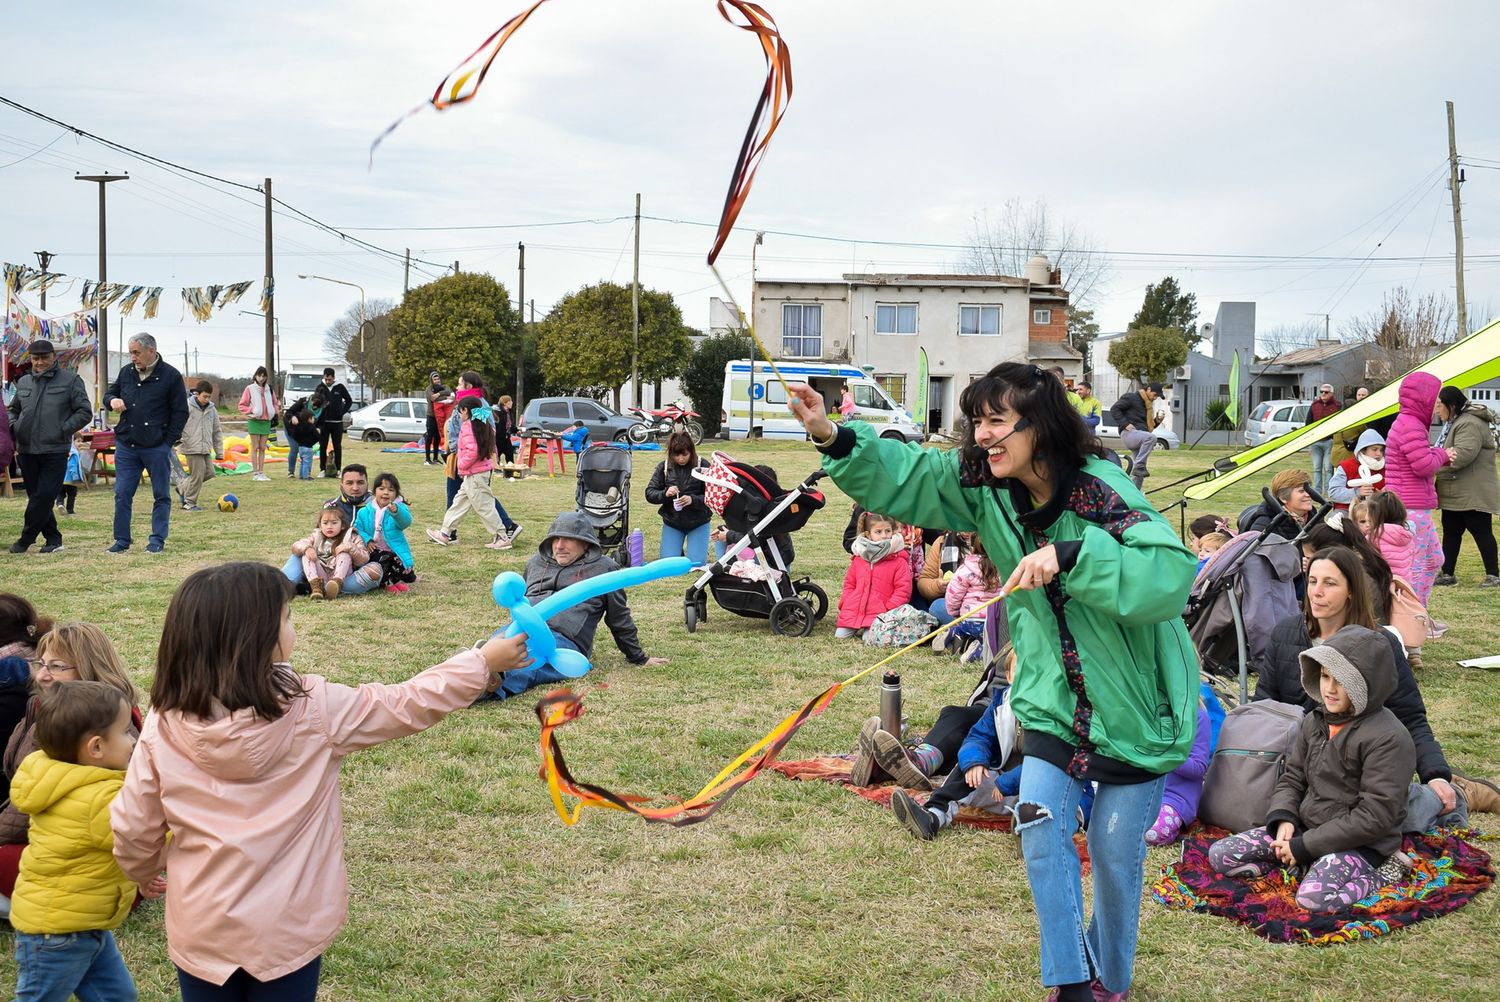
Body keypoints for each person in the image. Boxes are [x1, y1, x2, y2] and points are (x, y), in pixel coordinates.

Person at [789, 362, 1198, 1001]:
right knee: (1038, 825)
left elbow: (1170, 575)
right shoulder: (984, 481)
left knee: (1116, 861)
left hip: (1136, 703)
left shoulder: (1101, 490)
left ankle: (1111, 979)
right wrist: (831, 434)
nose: (983, 435)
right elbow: (912, 476)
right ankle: (1071, 985)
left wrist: (1074, 554)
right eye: (977, 421)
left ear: (1040, 426)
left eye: (997, 421)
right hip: (1050, 697)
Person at [109, 562, 533, 1000]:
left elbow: (133, 824)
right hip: (287, 928)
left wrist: (143, 871)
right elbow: (406, 702)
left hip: (202, 924)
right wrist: (480, 663)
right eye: (286, 619)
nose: (292, 627)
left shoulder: (161, 723)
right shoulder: (315, 710)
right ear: (259, 640)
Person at [1253, 547, 1474, 832]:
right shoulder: (1285, 633)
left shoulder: (1379, 644)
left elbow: (1410, 717)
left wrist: (1435, 774)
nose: (1316, 592)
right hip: (1299, 766)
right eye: (1312, 581)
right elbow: (1264, 707)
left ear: (1352, 591)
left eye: (1329, 583)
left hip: (1357, 773)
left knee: (1379, 818)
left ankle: (1453, 791)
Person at [9, 680, 162, 1001]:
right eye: (124, 732)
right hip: (58, 933)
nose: (131, 741)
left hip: (85, 923)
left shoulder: (60, 775)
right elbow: (142, 838)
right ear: (96, 748)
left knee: (116, 997)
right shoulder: (98, 798)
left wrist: (141, 876)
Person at [0, 623, 142, 903]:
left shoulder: (96, 727)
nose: (42, 675)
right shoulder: (43, 707)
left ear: (88, 669)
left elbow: (33, 808)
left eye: (56, 666)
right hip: (54, 836)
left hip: (89, 854)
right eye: (41, 664)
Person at [489, 512, 669, 701]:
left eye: (568, 539)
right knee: (494, 645)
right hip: (522, 629)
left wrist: (638, 657)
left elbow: (618, 617)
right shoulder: (536, 563)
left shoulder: (604, 569)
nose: (559, 546)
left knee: (530, 662)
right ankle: (473, 667)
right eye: (555, 539)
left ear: (585, 543)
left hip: (564, 640)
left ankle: (492, 684)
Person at [6, 338, 93, 555]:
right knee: (36, 496)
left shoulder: (71, 380)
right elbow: (12, 410)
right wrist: (14, 426)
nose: (40, 362)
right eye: (36, 358)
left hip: (55, 449)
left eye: (44, 357)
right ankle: (54, 539)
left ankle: (25, 539)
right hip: (26, 449)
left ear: (53, 357)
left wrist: (63, 429)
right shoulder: (24, 382)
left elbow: (84, 411)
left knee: (43, 496)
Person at [104, 333, 189, 554]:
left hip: (156, 447)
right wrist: (111, 400)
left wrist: (167, 443)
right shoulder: (126, 373)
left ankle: (157, 540)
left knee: (161, 495)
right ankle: (121, 540)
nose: (132, 357)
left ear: (151, 351)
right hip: (127, 445)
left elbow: (180, 412)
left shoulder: (171, 376)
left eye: (136, 352)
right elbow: (109, 393)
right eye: (130, 352)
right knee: (122, 493)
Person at [1384, 372, 1453, 604]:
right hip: (1410, 506)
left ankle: (1418, 613)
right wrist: (1443, 454)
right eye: (1435, 399)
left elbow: (1421, 458)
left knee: (1434, 559)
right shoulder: (1410, 426)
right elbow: (1423, 466)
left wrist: (1436, 454)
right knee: (1418, 564)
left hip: (1415, 505)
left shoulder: (1410, 424)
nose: (1437, 405)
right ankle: (1414, 616)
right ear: (1423, 398)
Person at [442, 373, 522, 544]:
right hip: (464, 457)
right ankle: (447, 532)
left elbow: (482, 436)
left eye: (459, 384)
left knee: (477, 497)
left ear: (469, 386)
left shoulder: (477, 405)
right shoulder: (470, 403)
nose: (456, 387)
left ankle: (506, 528)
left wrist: (462, 457)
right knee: (463, 496)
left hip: (470, 461)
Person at [1433, 385, 1500, 587]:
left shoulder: (1469, 423)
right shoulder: (1455, 422)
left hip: (1472, 491)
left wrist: (1432, 464)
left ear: (1451, 405)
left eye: (1439, 404)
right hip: (1456, 490)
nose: (1436, 409)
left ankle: (1494, 576)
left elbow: (1462, 456)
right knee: (1452, 532)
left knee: (1481, 531)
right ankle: (1447, 573)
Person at [426, 397, 514, 551]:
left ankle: (502, 536)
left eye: (459, 411)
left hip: (475, 474)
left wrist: (461, 465)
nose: (459, 415)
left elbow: (472, 451)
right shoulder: (482, 424)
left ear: (465, 410)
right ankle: (445, 533)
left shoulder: (468, 426)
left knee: (484, 506)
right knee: (458, 503)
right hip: (476, 474)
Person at [279, 467, 383, 596]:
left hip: (357, 562)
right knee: (301, 553)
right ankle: (282, 585)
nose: (355, 488)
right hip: (323, 560)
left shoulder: (378, 506)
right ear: (342, 485)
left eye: (360, 482)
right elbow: (318, 536)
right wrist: (307, 548)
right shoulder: (330, 506)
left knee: (374, 571)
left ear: (367, 484)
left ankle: (316, 588)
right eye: (349, 483)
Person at [1144, 700, 1213, 845]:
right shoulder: (1146, 710)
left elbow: (1198, 767)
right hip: (1142, 793)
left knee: (1151, 833)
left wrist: (1164, 755)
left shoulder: (1197, 716)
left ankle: (1171, 829)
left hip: (1174, 799)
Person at [835, 512, 912, 640]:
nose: (884, 536)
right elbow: (849, 584)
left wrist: (889, 608)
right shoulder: (859, 559)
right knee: (840, 636)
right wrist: (845, 602)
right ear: (868, 534)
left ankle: (868, 627)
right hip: (854, 610)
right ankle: (857, 623)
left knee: (868, 638)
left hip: (881, 613)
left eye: (887, 531)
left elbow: (903, 590)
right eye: (878, 532)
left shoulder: (898, 560)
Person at [645, 432, 711, 565]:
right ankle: (676, 549)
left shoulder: (703, 465)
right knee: (668, 565)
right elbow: (650, 493)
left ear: (691, 452)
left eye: (685, 454)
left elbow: (714, 497)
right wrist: (665, 493)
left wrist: (693, 500)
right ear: (671, 453)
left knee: (696, 563)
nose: (681, 459)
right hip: (673, 522)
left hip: (699, 522)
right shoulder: (664, 467)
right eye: (677, 455)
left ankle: (693, 549)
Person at [939, 535, 1003, 659]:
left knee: (964, 628)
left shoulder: (966, 568)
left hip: (969, 619)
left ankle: (954, 632)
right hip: (991, 621)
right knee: (993, 642)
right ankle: (978, 649)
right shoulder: (1003, 568)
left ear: (972, 547)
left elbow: (954, 593)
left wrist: (954, 612)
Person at [291, 506, 369, 601]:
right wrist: (307, 548)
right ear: (320, 525)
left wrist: (350, 548)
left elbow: (364, 559)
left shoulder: (352, 537)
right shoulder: (316, 536)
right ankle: (316, 587)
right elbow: (296, 545)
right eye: (325, 523)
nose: (329, 526)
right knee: (307, 555)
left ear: (343, 525)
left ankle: (336, 584)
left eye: (334, 523)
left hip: (342, 573)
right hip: (322, 573)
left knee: (344, 554)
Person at [354, 472, 416, 592]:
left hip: (393, 548)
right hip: (373, 550)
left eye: (390, 490)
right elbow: (357, 529)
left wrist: (396, 512)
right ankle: (386, 583)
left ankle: (396, 579)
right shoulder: (364, 511)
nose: (385, 493)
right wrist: (367, 540)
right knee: (383, 561)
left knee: (402, 565)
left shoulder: (399, 508)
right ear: (374, 491)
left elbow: (405, 522)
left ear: (396, 494)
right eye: (381, 489)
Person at [179, 380, 225, 512]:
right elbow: (177, 423)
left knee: (210, 472)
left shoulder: (212, 409)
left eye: (209, 396)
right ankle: (189, 502)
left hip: (205, 447)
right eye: (205, 396)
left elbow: (217, 431)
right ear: (196, 394)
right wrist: (179, 440)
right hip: (191, 447)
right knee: (197, 475)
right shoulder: (187, 406)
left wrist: (219, 451)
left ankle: (182, 487)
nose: (207, 399)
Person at [1108, 381, 1161, 490]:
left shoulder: (1147, 405)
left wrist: (1157, 421)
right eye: (1155, 395)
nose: (1155, 398)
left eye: (1157, 396)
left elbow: (1147, 428)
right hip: (1129, 434)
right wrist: (1125, 423)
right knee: (1151, 438)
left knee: (1139, 475)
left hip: (1139, 436)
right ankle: (1139, 466)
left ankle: (1134, 494)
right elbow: (1114, 409)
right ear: (1149, 389)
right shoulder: (1131, 397)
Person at [915, 530, 972, 628]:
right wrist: (938, 585)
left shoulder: (992, 540)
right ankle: (972, 630)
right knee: (937, 607)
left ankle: (968, 631)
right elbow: (923, 581)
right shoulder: (942, 541)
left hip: (984, 601)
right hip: (955, 603)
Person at [1363, 491, 1416, 587]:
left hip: (1381, 588)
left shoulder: (1373, 538)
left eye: (1367, 512)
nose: (1366, 516)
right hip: (1403, 587)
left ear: (1375, 515)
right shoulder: (1407, 536)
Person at [1242, 468, 1315, 535]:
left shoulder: (1315, 517)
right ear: (1283, 498)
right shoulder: (1265, 523)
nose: (1308, 494)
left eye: (1309, 489)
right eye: (1301, 491)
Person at [1327, 428, 1385, 510]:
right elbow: (1333, 492)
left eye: (1381, 450)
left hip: (1379, 511)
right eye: (1374, 449)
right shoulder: (1346, 466)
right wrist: (1357, 492)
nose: (1379, 453)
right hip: (1348, 511)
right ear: (1363, 449)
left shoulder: (1387, 468)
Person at [238, 366, 278, 481]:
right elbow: (242, 405)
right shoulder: (249, 388)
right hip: (254, 420)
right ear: (255, 376)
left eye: (264, 375)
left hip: (266, 421)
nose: (261, 378)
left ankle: (261, 472)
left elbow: (275, 402)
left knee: (262, 447)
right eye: (259, 375)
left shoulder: (269, 389)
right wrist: (252, 411)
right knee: (254, 447)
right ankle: (255, 473)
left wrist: (274, 411)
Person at [315, 367, 354, 478]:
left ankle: (338, 470)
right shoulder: (320, 388)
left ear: (334, 378)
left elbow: (349, 400)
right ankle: (322, 469)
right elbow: (315, 402)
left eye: (330, 380)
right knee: (323, 446)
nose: (328, 382)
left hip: (337, 422)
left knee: (337, 446)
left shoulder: (340, 387)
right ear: (324, 377)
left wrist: (342, 411)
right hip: (324, 423)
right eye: (326, 379)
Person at [1306, 383, 1343, 496]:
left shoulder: (1338, 406)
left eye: (1326, 392)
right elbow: (1308, 424)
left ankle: (1328, 491)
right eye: (1321, 391)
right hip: (1316, 441)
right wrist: (1309, 442)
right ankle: (1317, 492)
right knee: (1317, 468)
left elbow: (1340, 423)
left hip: (1330, 441)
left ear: (1332, 394)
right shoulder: (1314, 405)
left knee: (1328, 469)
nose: (1323, 394)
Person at [283, 389, 326, 480]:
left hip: (305, 431)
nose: (314, 408)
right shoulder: (303, 402)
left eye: (317, 407)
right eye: (313, 405)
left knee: (304, 457)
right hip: (292, 428)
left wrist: (319, 429)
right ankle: (291, 471)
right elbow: (289, 412)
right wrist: (293, 417)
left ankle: (303, 474)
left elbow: (322, 424)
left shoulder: (322, 411)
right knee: (294, 449)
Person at [423, 371, 450, 466]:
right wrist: (445, 397)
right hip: (431, 416)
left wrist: (438, 394)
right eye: (434, 379)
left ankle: (435, 458)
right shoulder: (429, 389)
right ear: (431, 380)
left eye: (438, 379)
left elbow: (450, 394)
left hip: (440, 417)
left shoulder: (444, 387)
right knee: (429, 437)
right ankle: (427, 459)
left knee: (438, 437)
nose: (437, 381)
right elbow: (432, 398)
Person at [495, 393, 517, 466]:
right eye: (509, 401)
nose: (512, 402)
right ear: (505, 403)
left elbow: (511, 425)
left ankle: (510, 471)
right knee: (496, 457)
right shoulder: (498, 412)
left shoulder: (509, 412)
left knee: (510, 454)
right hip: (497, 438)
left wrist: (517, 431)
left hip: (506, 438)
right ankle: (496, 468)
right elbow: (498, 425)